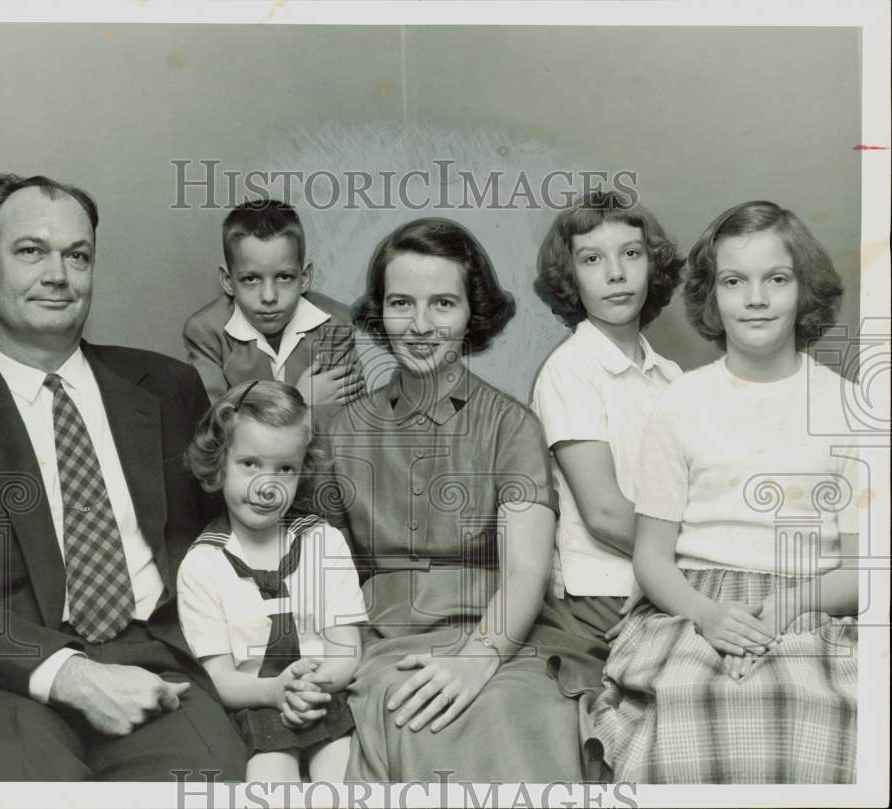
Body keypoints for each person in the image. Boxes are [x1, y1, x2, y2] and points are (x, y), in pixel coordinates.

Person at [0, 173, 246, 781]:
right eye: (31, 251)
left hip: (153, 663)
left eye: (77, 255)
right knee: (17, 774)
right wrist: (65, 671)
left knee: (206, 773)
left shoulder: (169, 388)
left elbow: (237, 536)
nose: (58, 275)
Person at [590, 200, 859, 783]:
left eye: (776, 280)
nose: (756, 299)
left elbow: (866, 569)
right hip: (695, 603)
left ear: (804, 290)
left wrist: (789, 606)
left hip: (813, 601)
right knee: (691, 705)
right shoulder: (682, 403)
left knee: (811, 714)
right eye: (735, 282)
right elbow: (652, 556)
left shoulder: (849, 408)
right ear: (713, 296)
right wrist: (708, 615)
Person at [326, 217, 599, 783]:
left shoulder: (511, 425)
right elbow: (321, 568)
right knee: (417, 712)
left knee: (513, 712)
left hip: (506, 636)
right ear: (380, 312)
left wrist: (477, 658)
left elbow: (526, 571)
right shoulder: (343, 431)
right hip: (390, 642)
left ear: (473, 312)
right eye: (401, 303)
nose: (421, 326)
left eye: (443, 304)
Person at [529, 193, 683, 769]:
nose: (616, 273)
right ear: (570, 277)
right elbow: (606, 514)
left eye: (632, 254)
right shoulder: (571, 370)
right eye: (592, 260)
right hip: (607, 592)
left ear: (653, 265)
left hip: (662, 575)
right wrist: (699, 561)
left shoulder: (670, 375)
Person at [177, 380, 367, 782]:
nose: (267, 485)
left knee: (344, 777)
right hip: (256, 702)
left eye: (285, 468)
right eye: (250, 464)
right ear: (219, 462)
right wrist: (274, 691)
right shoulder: (203, 563)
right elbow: (219, 676)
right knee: (270, 782)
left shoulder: (323, 541)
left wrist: (312, 686)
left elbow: (346, 646)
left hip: (322, 693)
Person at [182, 199, 364, 422]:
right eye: (251, 279)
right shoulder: (207, 333)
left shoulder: (337, 326)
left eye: (284, 277)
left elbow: (347, 429)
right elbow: (212, 428)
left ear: (304, 277)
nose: (269, 297)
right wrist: (298, 400)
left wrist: (252, 415)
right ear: (228, 281)